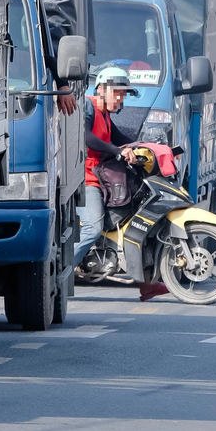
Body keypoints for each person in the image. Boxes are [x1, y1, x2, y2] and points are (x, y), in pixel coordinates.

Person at [74, 67, 168, 301]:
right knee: (92, 229)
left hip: (102, 178)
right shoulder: (88, 106)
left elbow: (124, 140)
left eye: (124, 94)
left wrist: (150, 149)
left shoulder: (105, 115)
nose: (121, 98)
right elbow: (85, 137)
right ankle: (58, 275)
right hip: (86, 179)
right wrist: (118, 151)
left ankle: (147, 283)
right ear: (102, 89)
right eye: (118, 93)